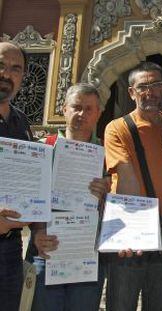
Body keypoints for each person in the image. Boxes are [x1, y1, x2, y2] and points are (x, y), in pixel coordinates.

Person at [104, 61, 162, 311]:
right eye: (143, 86)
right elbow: (126, 176)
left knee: (161, 302)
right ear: (131, 92)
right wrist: (131, 232)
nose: (150, 92)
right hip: (131, 228)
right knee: (121, 303)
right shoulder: (117, 127)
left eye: (156, 85)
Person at [29, 83, 108, 311]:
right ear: (64, 109)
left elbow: (119, 209)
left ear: (98, 113)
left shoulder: (107, 154)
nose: (82, 114)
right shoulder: (42, 149)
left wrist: (106, 196)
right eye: (76, 107)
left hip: (87, 254)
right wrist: (36, 232)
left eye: (89, 108)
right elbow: (29, 198)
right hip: (46, 251)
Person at [0, 41, 32, 311]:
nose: (6, 74)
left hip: (10, 248)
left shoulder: (22, 123)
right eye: (0, 65)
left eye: (15, 68)